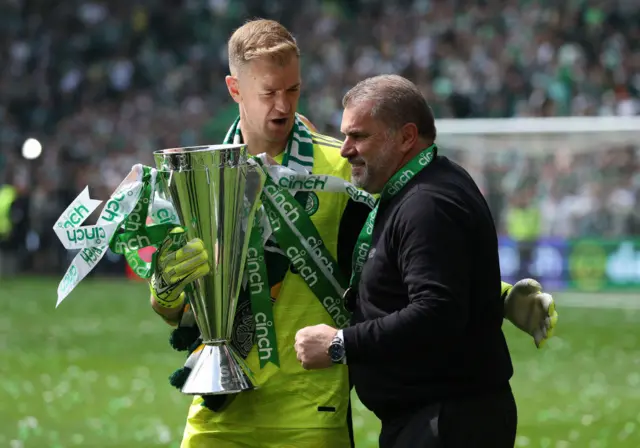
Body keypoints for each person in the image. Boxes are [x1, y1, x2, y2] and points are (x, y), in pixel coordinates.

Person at [147, 20, 557, 448]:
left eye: (293, 90)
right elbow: (171, 308)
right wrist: (164, 286)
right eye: (269, 92)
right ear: (235, 90)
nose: (283, 106)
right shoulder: (197, 175)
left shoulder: (343, 165)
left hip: (311, 408)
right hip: (219, 408)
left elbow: (408, 248)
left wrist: (500, 295)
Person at [294, 74, 529, 448]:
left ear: (405, 137)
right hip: (438, 416)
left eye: (359, 136)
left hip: (445, 420)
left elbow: (438, 310)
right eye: (343, 136)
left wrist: (342, 344)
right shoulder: (426, 185)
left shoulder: (426, 203)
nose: (344, 150)